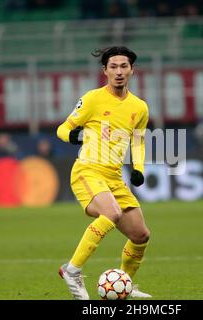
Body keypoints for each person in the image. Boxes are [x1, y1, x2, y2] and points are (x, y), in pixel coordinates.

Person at [56, 46, 151, 300]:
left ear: (132, 70)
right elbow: (62, 129)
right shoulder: (92, 99)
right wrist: (75, 135)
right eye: (113, 67)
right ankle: (72, 270)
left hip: (113, 177)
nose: (119, 72)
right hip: (87, 170)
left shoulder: (139, 107)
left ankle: (125, 284)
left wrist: (138, 169)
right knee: (111, 212)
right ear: (105, 71)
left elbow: (138, 141)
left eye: (124, 66)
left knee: (141, 235)